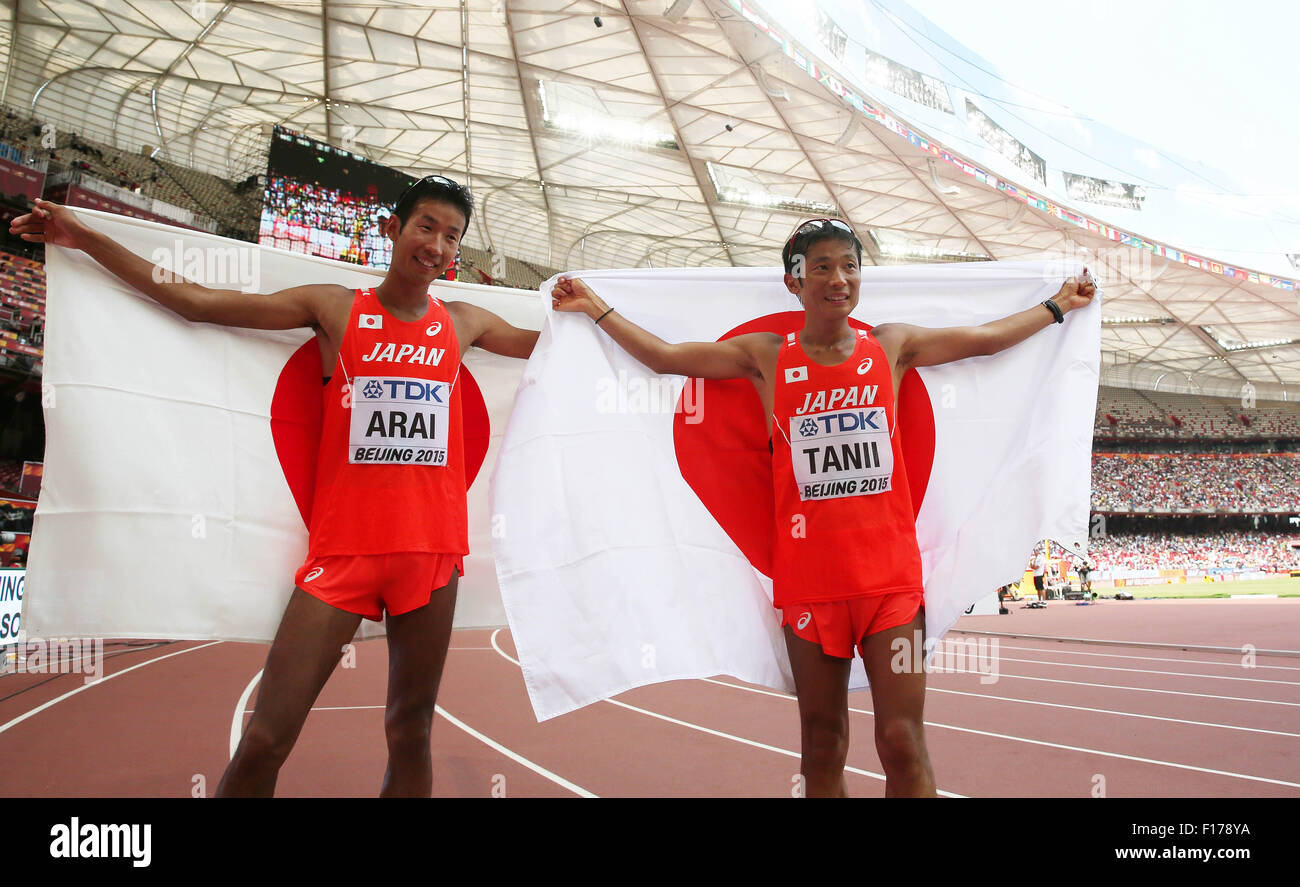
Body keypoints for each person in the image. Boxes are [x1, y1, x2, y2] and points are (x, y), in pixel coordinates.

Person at [10, 175, 540, 797]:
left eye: (452, 237)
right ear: (394, 229)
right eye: (426, 226)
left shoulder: (466, 322)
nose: (437, 245)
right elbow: (197, 303)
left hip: (430, 558)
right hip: (341, 559)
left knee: (410, 731)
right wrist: (85, 238)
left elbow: (553, 350)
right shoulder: (336, 309)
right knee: (266, 737)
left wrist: (606, 314)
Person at [551, 218, 1095, 797]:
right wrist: (594, 307)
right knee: (822, 745)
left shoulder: (891, 346)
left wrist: (1058, 307)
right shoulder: (765, 357)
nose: (838, 279)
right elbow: (664, 358)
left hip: (892, 588)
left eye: (849, 266)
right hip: (810, 588)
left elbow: (985, 340)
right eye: (822, 267)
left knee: (903, 742)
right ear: (795, 282)